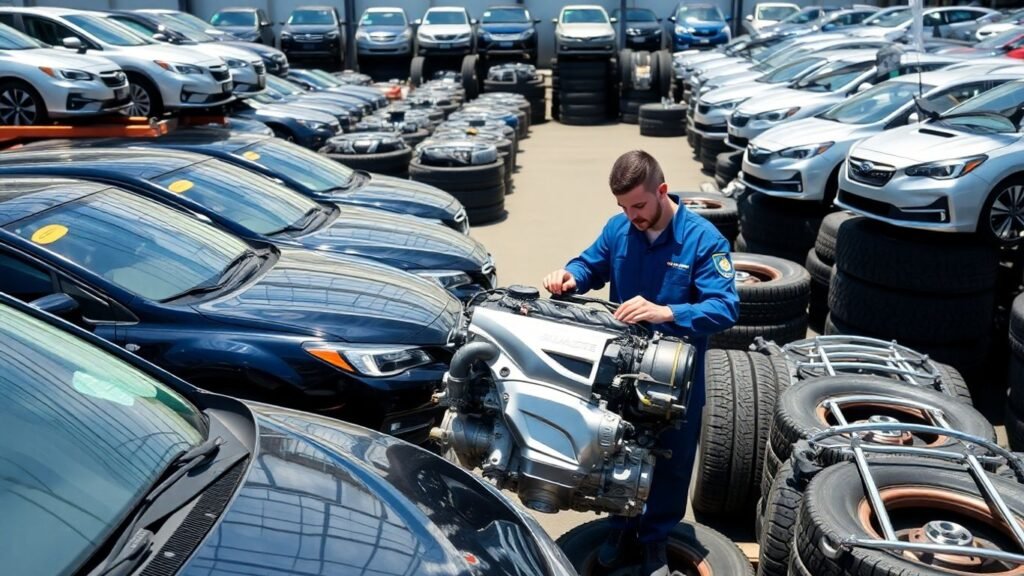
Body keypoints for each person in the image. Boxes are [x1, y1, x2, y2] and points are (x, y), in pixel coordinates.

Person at [543, 150, 739, 576]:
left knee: (668, 465)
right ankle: (620, 527)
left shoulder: (703, 240)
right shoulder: (619, 230)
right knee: (617, 457)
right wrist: (570, 275)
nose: (632, 216)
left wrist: (668, 312)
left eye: (639, 206)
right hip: (621, 376)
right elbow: (590, 263)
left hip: (675, 382)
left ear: (662, 191)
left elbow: (725, 307)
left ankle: (654, 540)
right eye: (623, 207)